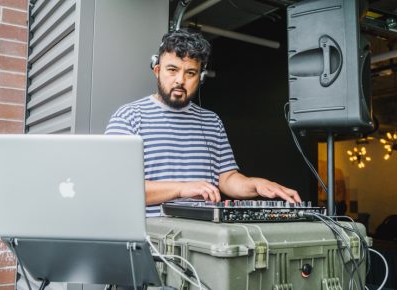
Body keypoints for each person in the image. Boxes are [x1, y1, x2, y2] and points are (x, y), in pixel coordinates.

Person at [105, 29, 301, 216]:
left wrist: (256, 184)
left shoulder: (211, 121)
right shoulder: (128, 117)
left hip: (203, 241)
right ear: (157, 70)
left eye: (190, 73)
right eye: (172, 70)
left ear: (201, 78)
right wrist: (182, 189)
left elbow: (227, 179)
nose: (180, 80)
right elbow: (117, 187)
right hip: (150, 241)